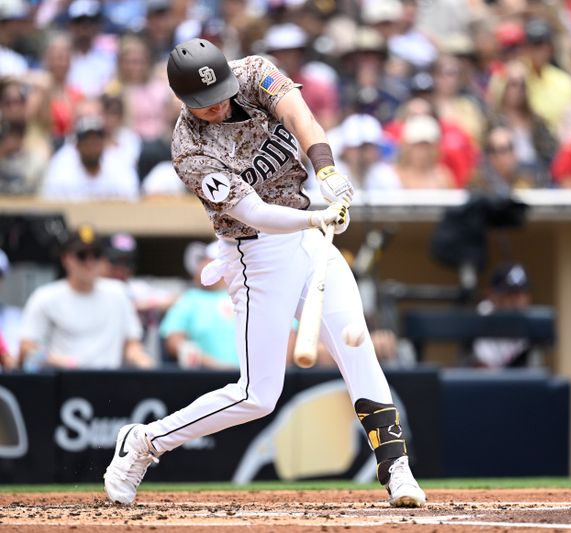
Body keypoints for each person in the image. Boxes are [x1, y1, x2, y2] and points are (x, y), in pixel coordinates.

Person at [103, 38, 425, 508]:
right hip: (256, 254)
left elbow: (300, 117)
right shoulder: (188, 147)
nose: (216, 106)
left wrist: (327, 173)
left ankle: (397, 469)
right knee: (258, 395)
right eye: (203, 103)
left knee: (357, 342)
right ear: (182, 99)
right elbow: (254, 212)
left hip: (308, 237)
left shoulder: (254, 73)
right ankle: (145, 442)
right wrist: (315, 216)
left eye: (220, 95)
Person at [18, 224, 154, 371]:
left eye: (95, 254)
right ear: (66, 259)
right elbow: (27, 348)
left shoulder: (118, 293)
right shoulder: (45, 297)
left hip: (109, 382)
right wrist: (58, 361)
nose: (89, 262)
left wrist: (144, 363)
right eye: (82, 255)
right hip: (64, 384)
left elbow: (131, 344)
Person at [160, 241, 238, 369]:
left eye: (207, 260)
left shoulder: (243, 295)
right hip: (206, 380)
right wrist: (215, 366)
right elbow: (174, 342)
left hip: (249, 381)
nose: (200, 265)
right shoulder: (190, 299)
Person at [470, 263, 538, 369]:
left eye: (522, 293)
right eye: (510, 293)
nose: (518, 300)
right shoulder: (483, 316)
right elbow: (483, 370)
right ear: (492, 295)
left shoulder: (531, 321)